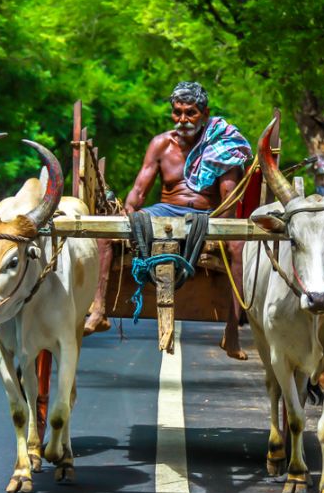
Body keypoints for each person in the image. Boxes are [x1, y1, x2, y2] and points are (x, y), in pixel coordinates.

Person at [84, 81, 252, 359]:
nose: (183, 119)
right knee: (104, 231)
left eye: (191, 112)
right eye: (177, 112)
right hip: (164, 210)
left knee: (238, 247)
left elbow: (228, 199)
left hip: (205, 216)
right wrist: (126, 215)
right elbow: (138, 191)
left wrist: (220, 226)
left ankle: (232, 330)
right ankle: (99, 310)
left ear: (205, 112)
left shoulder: (223, 146)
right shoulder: (161, 144)